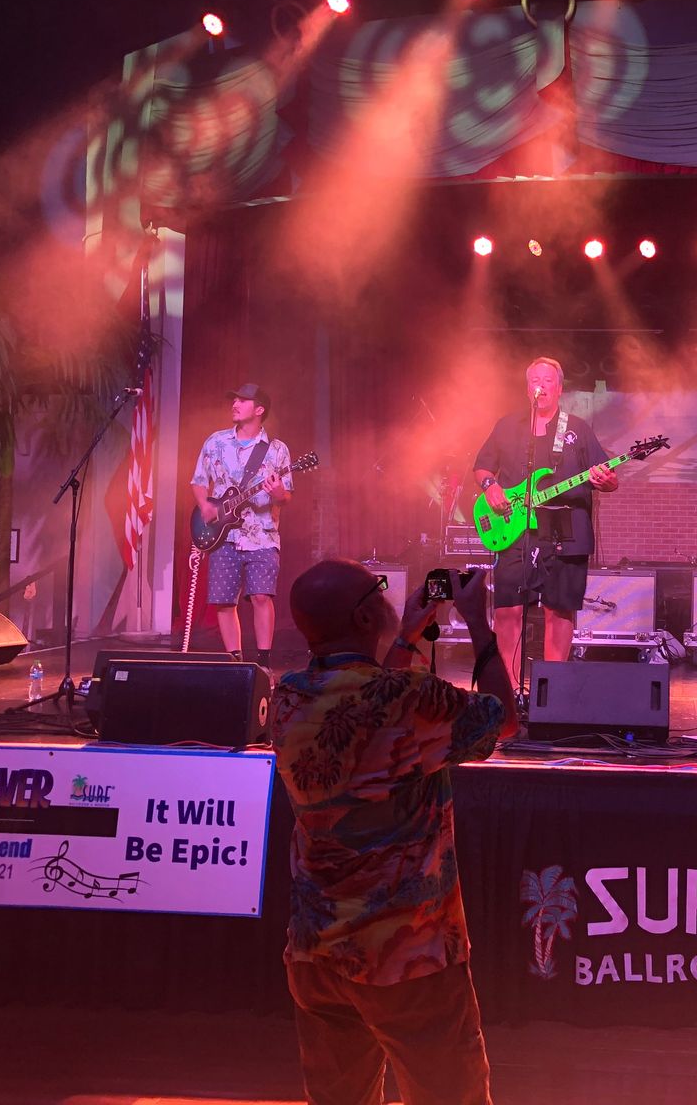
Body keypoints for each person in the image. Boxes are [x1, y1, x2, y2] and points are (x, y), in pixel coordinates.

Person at [271, 560, 515, 1105]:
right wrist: (479, 624)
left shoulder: (288, 699)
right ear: (363, 617)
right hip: (407, 956)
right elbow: (502, 719)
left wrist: (407, 635)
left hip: (316, 953)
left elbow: (370, 700)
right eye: (377, 589)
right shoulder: (406, 699)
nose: (386, 594)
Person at [472, 357, 618, 685]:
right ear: (528, 389)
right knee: (508, 609)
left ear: (559, 388)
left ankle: (553, 689)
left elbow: (608, 477)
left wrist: (608, 482)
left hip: (566, 531)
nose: (541, 385)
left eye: (548, 380)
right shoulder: (507, 426)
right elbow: (481, 467)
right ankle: (509, 690)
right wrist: (490, 486)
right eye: (535, 380)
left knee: (560, 610)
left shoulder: (577, 428)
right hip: (515, 529)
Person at [190, 382, 294, 666]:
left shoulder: (276, 450)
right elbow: (199, 481)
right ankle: (235, 662)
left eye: (242, 401)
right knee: (224, 601)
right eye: (234, 400)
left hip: (262, 535)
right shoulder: (216, 442)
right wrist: (204, 505)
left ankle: (264, 662)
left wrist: (278, 493)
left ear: (259, 410)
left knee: (261, 596)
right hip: (223, 535)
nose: (234, 405)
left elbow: (286, 496)